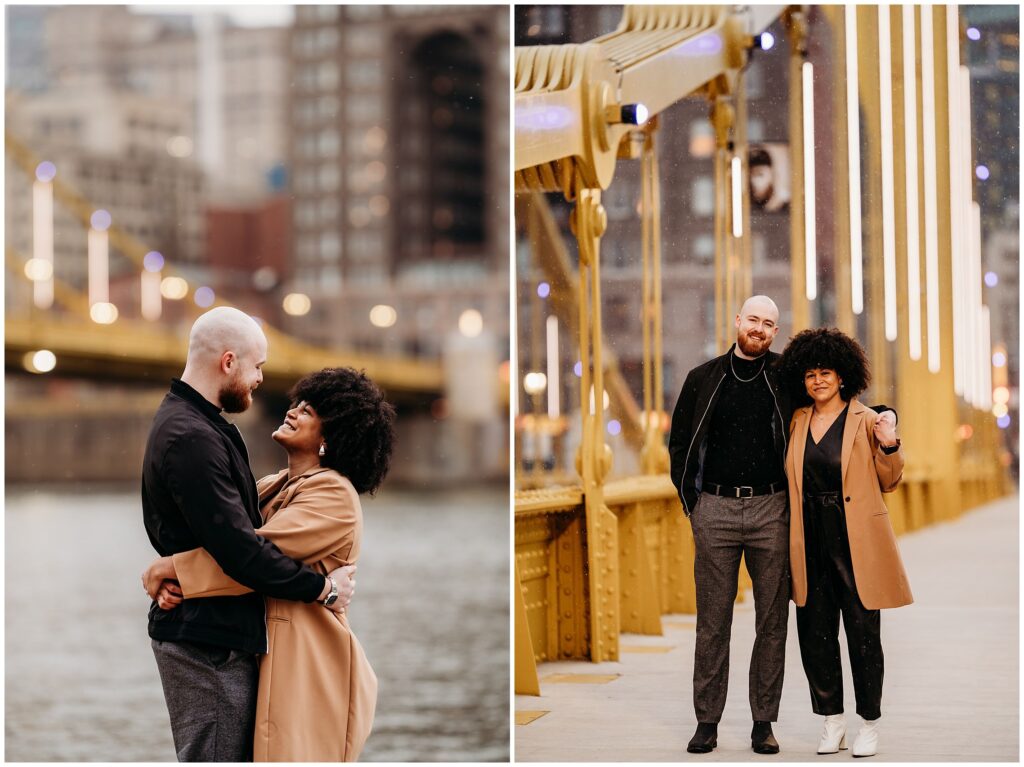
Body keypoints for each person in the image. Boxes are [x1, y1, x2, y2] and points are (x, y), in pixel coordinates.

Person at [144, 366, 396, 761]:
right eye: (297, 403)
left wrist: (169, 570)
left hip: (311, 664)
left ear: (332, 436)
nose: (293, 411)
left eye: (309, 411)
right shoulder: (275, 485)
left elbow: (255, 555)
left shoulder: (334, 495)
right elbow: (234, 546)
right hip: (277, 656)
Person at [776, 328, 911, 759]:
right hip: (810, 538)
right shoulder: (796, 420)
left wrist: (889, 444)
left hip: (856, 542)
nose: (818, 381)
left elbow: (890, 481)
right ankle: (831, 720)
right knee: (815, 634)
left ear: (843, 376)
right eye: (811, 374)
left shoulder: (869, 420)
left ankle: (868, 723)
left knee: (863, 635)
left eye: (826, 373)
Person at [668, 295, 790, 755]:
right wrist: (692, 504)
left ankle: (763, 722)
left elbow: (834, 397)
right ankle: (707, 722)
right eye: (753, 319)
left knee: (772, 621)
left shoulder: (787, 375)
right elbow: (679, 443)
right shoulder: (703, 379)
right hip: (714, 510)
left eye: (769, 324)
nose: (759, 328)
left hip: (771, 510)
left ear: (776, 332)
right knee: (712, 623)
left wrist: (884, 414)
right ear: (738, 321)